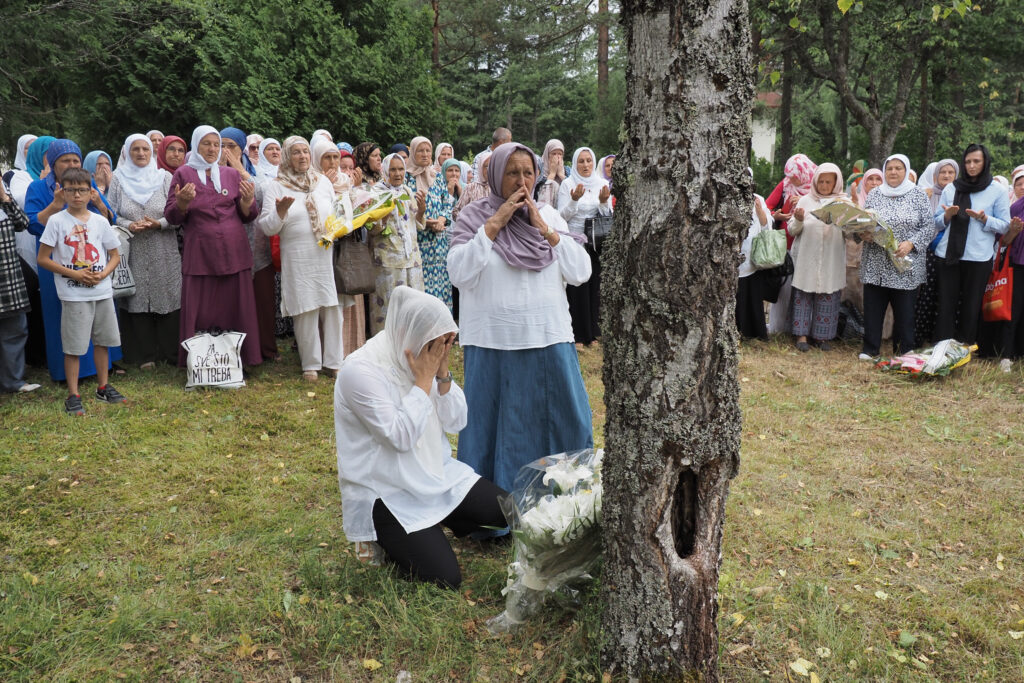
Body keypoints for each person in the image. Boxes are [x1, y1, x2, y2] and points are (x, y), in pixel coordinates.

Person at [334, 285, 507, 588]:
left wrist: (441, 375)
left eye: (444, 343)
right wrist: (423, 379)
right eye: (435, 343)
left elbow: (457, 421)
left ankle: (441, 521)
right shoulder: (360, 370)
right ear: (408, 333)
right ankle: (386, 538)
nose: (438, 350)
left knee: (506, 512)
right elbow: (399, 437)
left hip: (434, 472)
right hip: (385, 491)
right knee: (444, 578)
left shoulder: (425, 360)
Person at [448, 141, 593, 492]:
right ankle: (494, 508)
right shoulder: (473, 217)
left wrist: (545, 229)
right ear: (496, 175)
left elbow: (581, 272)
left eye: (528, 172)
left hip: (548, 337)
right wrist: (494, 224)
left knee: (560, 420)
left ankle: (562, 499)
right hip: (492, 342)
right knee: (497, 427)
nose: (521, 181)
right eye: (512, 172)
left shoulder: (549, 214)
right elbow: (459, 273)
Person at [164, 125, 262, 367]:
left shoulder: (230, 174)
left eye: (216, 144)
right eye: (206, 143)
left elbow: (248, 215)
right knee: (202, 307)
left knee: (236, 305)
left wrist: (248, 201)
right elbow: (172, 216)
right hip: (201, 252)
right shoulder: (183, 174)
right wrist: (183, 204)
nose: (212, 149)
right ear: (196, 145)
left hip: (234, 250)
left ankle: (240, 359)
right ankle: (201, 362)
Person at [25, 138, 121, 381]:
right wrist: (56, 205)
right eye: (65, 160)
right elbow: (32, 224)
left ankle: (97, 372)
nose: (70, 164)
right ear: (53, 162)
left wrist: (100, 203)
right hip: (55, 261)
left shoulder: (85, 184)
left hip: (91, 257)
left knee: (95, 312)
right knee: (62, 315)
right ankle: (65, 373)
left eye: (75, 160)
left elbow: (109, 218)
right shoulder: (37, 188)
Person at [36, 167, 126, 413]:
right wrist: (75, 274)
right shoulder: (56, 221)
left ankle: (103, 387)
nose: (77, 195)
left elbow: (115, 255)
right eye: (71, 190)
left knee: (103, 341)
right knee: (74, 347)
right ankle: (73, 394)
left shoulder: (99, 221)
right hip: (74, 294)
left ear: (91, 192)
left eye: (82, 190)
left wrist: (104, 274)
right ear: (62, 192)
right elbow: (43, 258)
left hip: (102, 292)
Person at [256, 136, 341, 381]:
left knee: (330, 307)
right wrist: (280, 213)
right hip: (297, 255)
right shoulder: (277, 186)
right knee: (305, 308)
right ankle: (311, 364)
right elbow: (267, 227)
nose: (302, 156)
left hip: (324, 254)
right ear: (287, 157)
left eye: (305, 152)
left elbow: (336, 212)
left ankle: (334, 362)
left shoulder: (322, 181)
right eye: (296, 152)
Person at [106, 133, 180, 368]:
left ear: (152, 153)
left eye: (145, 149)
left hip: (164, 247)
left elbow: (179, 215)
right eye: (135, 149)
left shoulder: (165, 177)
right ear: (127, 152)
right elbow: (111, 214)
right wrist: (129, 225)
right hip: (133, 247)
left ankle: (169, 353)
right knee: (136, 298)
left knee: (167, 294)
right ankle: (143, 355)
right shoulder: (117, 179)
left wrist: (160, 223)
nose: (140, 153)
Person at [932, 144, 1010, 345]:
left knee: (971, 306)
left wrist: (985, 220)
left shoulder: (997, 191)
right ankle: (942, 349)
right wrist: (947, 216)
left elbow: (1005, 225)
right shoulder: (952, 187)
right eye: (967, 162)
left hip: (978, 257)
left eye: (976, 161)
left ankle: (964, 349)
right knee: (946, 306)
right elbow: (936, 222)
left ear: (985, 163)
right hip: (948, 255)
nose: (971, 166)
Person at [857, 154, 934, 358]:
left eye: (898, 168)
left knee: (904, 313)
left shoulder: (918, 195)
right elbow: (865, 221)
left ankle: (904, 351)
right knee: (873, 309)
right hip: (876, 262)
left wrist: (911, 243)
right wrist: (863, 233)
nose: (893, 172)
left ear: (906, 171)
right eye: (889, 168)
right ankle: (870, 348)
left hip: (904, 265)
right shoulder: (875, 194)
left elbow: (928, 226)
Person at [313, 138, 365, 355]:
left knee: (346, 295)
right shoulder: (312, 181)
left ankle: (350, 347)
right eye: (327, 157)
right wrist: (323, 185)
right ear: (318, 159)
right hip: (322, 247)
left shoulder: (348, 181)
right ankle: (327, 351)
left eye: (336, 157)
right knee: (328, 300)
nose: (333, 162)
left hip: (346, 247)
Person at [789, 163, 847, 351]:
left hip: (831, 257)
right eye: (820, 181)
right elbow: (792, 229)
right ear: (814, 181)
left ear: (835, 183)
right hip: (808, 256)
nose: (823, 185)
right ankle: (801, 336)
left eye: (828, 182)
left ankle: (822, 337)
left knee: (828, 295)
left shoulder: (843, 203)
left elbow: (852, 232)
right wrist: (798, 219)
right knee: (803, 294)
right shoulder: (805, 201)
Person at [557, 146, 611, 346]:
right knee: (576, 286)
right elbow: (561, 216)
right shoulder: (567, 184)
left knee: (594, 285)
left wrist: (604, 202)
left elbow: (607, 216)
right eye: (581, 161)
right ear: (575, 163)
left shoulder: (601, 183)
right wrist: (573, 200)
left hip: (595, 243)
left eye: (589, 160)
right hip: (574, 240)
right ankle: (577, 334)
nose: (586, 164)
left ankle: (592, 333)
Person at [367, 153, 425, 334]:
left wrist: (422, 210)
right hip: (387, 261)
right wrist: (382, 217)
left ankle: (410, 349)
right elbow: (371, 228)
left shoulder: (407, 191)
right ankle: (386, 352)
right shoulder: (376, 193)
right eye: (393, 169)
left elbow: (416, 223)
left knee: (413, 306)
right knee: (388, 308)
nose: (398, 173)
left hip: (411, 259)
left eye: (401, 169)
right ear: (385, 170)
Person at [766, 153, 816, 335]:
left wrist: (804, 201)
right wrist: (777, 215)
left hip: (810, 246)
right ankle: (778, 328)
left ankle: (803, 329)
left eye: (795, 175)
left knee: (805, 290)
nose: (791, 179)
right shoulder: (785, 185)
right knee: (784, 288)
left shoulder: (818, 187)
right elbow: (768, 207)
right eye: (788, 174)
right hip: (786, 244)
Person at [0, 179, 40, 393]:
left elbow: (22, 223)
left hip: (8, 277)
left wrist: (5, 198)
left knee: (14, 329)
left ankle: (13, 381)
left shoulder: (4, 199)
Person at [913, 158, 958, 345]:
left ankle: (941, 338)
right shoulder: (926, 194)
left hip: (951, 252)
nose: (946, 176)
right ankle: (920, 335)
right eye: (942, 172)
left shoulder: (959, 195)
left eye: (950, 173)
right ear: (935, 175)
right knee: (926, 294)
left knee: (947, 294)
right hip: (928, 252)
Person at [420, 158, 461, 311]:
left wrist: (441, 220)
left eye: (457, 171)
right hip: (423, 243)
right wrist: (429, 223)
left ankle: (445, 329)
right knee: (426, 291)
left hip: (441, 242)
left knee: (443, 285)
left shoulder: (436, 179)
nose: (454, 174)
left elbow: (446, 205)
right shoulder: (409, 180)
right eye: (450, 170)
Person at [737, 188, 773, 340]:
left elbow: (767, 226)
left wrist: (760, 213)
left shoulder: (758, 199)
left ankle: (751, 332)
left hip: (753, 258)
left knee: (751, 295)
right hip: (733, 254)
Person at [994, 191, 1024, 371]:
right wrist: (1013, 232)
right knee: (1013, 309)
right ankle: (1006, 355)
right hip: (1018, 265)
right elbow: (1003, 241)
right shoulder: (1017, 206)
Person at [452, 151, 491, 224]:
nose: (489, 169)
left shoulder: (499, 188)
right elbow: (456, 212)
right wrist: (469, 222)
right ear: (480, 167)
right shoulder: (471, 187)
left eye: (492, 166)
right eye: (486, 166)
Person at [5, 134, 37, 209]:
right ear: (20, 150)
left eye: (35, 147)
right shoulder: (12, 175)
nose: (32, 150)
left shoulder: (50, 172)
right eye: (28, 148)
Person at [534, 139, 565, 206]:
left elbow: (571, 188)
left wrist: (560, 174)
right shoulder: (539, 168)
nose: (557, 157)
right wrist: (552, 174)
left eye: (560, 154)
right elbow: (538, 193)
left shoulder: (567, 170)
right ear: (547, 155)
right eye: (554, 154)